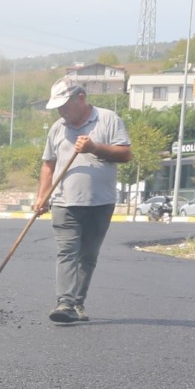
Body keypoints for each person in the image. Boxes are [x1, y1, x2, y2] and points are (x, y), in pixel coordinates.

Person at [34, 78, 131, 325]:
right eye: (58, 107)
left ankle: (77, 302)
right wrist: (42, 196)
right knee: (67, 252)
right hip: (63, 202)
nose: (61, 112)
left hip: (100, 203)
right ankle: (64, 302)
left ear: (81, 98)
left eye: (65, 105)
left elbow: (125, 154)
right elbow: (48, 164)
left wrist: (95, 147)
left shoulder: (108, 120)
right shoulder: (57, 127)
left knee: (88, 255)